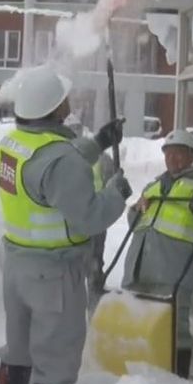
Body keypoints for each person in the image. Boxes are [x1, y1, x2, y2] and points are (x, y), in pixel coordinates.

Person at [0, 66, 132, 384]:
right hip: (54, 275)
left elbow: (51, 167)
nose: (68, 102)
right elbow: (89, 217)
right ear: (54, 109)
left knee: (19, 348)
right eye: (63, 100)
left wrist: (98, 141)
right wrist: (116, 193)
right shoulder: (61, 160)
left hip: (17, 267)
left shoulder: (13, 144)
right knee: (57, 363)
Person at [120, 129, 193, 379]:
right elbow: (134, 220)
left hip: (173, 269)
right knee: (141, 323)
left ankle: (178, 380)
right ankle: (140, 377)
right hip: (140, 266)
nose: (172, 159)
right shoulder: (154, 185)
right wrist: (136, 209)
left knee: (176, 328)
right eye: (168, 153)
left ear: (192, 156)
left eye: (178, 154)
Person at [64, 113, 118, 312]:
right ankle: (74, 311)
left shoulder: (102, 158)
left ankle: (94, 313)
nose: (73, 134)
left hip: (94, 219)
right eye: (70, 130)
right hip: (70, 221)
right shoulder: (59, 157)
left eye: (76, 130)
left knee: (94, 267)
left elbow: (112, 184)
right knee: (72, 270)